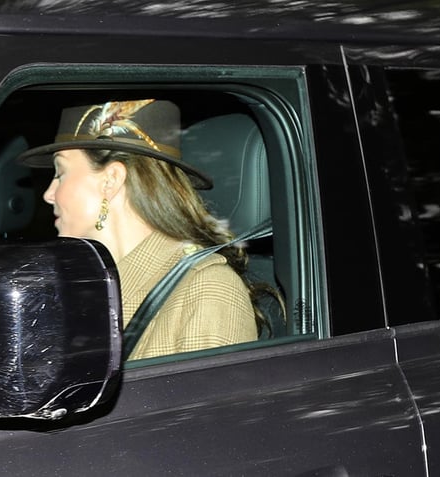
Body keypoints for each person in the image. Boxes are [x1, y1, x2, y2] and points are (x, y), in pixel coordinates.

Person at [18, 99, 260, 360]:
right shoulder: (80, 286)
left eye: (60, 173)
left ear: (110, 180)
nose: (48, 194)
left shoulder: (207, 291)